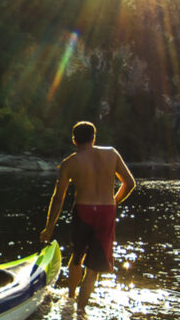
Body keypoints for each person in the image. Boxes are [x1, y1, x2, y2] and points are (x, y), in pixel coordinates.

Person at [39, 121, 136, 310]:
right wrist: (114, 201)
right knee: (93, 269)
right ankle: (80, 311)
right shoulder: (112, 154)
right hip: (106, 211)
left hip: (83, 210)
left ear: (74, 140)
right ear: (93, 138)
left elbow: (58, 198)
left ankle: (71, 297)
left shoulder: (69, 163)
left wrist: (49, 228)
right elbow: (130, 183)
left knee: (77, 257)